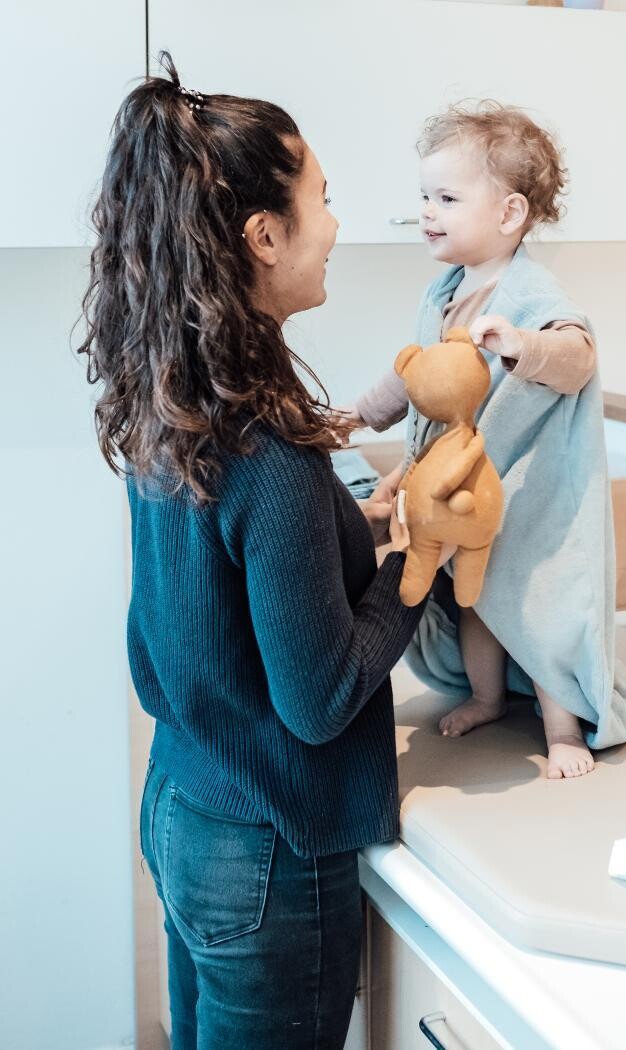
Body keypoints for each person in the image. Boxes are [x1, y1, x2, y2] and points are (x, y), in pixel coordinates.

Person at [78, 52, 449, 1049]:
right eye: (322, 199)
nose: (334, 226)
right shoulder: (271, 448)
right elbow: (320, 701)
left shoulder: (176, 399)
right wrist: (423, 561)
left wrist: (355, 534)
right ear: (264, 235)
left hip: (184, 805)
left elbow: (201, 609)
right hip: (270, 851)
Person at [346, 102, 626, 779]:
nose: (427, 211)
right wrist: (359, 418)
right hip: (463, 502)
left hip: (527, 496)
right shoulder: (444, 291)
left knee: (538, 608)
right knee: (476, 604)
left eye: (446, 197)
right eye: (424, 195)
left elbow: (578, 357)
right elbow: (412, 376)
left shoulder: (535, 294)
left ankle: (563, 728)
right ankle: (485, 697)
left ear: (509, 214)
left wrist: (522, 345)